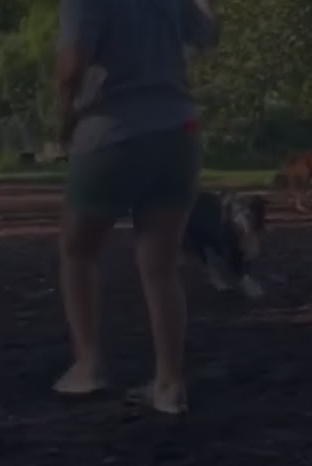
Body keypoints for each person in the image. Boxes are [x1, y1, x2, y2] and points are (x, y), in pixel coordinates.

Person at [52, 0, 219, 415]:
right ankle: (169, 383)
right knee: (160, 265)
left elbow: (72, 66)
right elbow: (208, 36)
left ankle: (88, 365)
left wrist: (63, 122)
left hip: (113, 130)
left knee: (79, 250)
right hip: (178, 132)